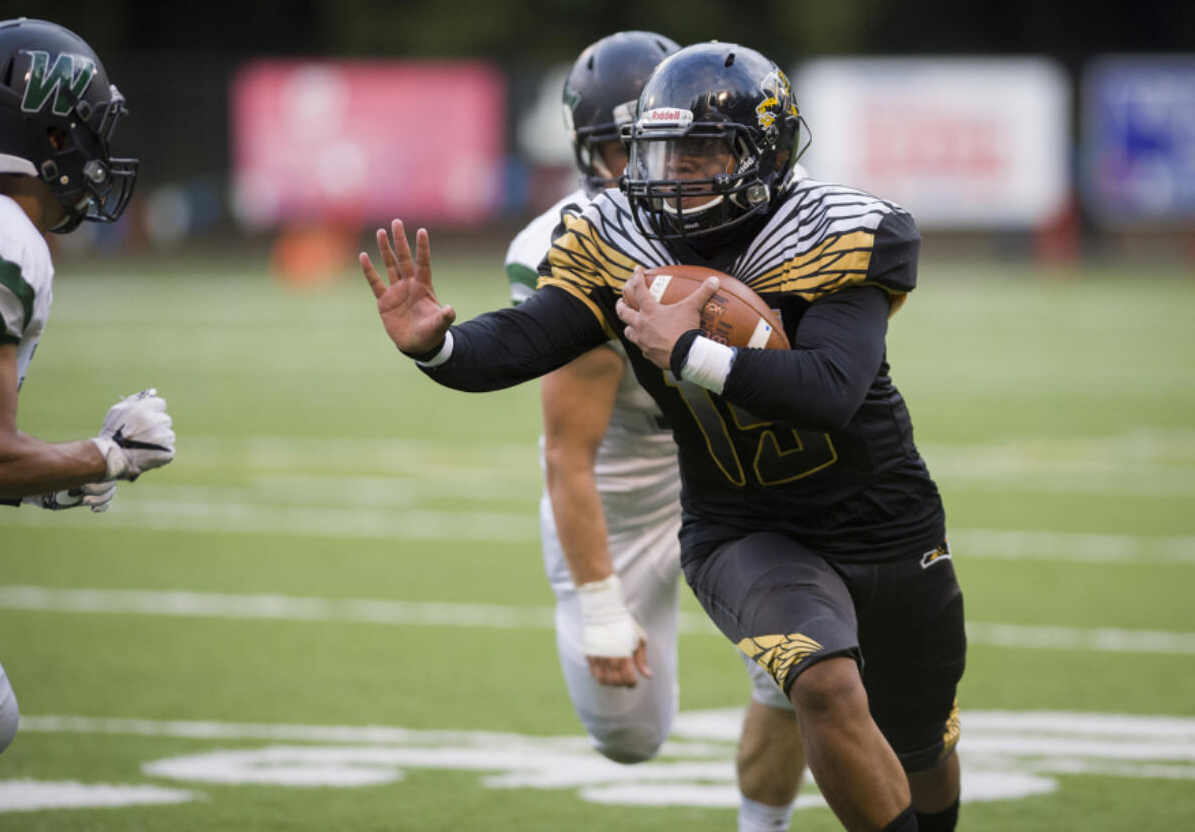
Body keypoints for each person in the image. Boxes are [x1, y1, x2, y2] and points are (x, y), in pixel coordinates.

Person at [361, 41, 965, 832]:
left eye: (703, 150)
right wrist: (439, 347)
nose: (674, 171)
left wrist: (690, 351)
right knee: (819, 681)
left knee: (920, 740)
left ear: (766, 154)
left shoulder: (836, 228)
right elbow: (531, 337)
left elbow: (829, 392)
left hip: (886, 517)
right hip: (744, 526)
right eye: (661, 149)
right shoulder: (617, 236)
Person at [505, 31, 806, 830]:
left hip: (737, 468)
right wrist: (602, 602)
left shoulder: (770, 220)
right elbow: (568, 451)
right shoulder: (566, 247)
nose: (650, 176)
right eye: (621, 152)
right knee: (630, 736)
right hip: (623, 491)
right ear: (586, 152)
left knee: (805, 669)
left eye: (686, 151)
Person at [0, 17, 177, 809]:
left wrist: (59, 471)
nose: (94, 151)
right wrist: (107, 455)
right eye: (86, 128)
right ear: (47, 129)